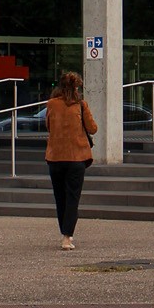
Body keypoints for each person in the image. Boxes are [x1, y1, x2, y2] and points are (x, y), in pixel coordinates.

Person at [45, 69, 97, 248]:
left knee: (60, 197)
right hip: (76, 157)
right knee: (73, 197)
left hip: (55, 157)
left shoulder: (51, 104)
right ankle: (67, 236)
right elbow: (92, 128)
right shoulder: (81, 105)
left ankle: (64, 232)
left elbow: (48, 126)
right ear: (76, 88)